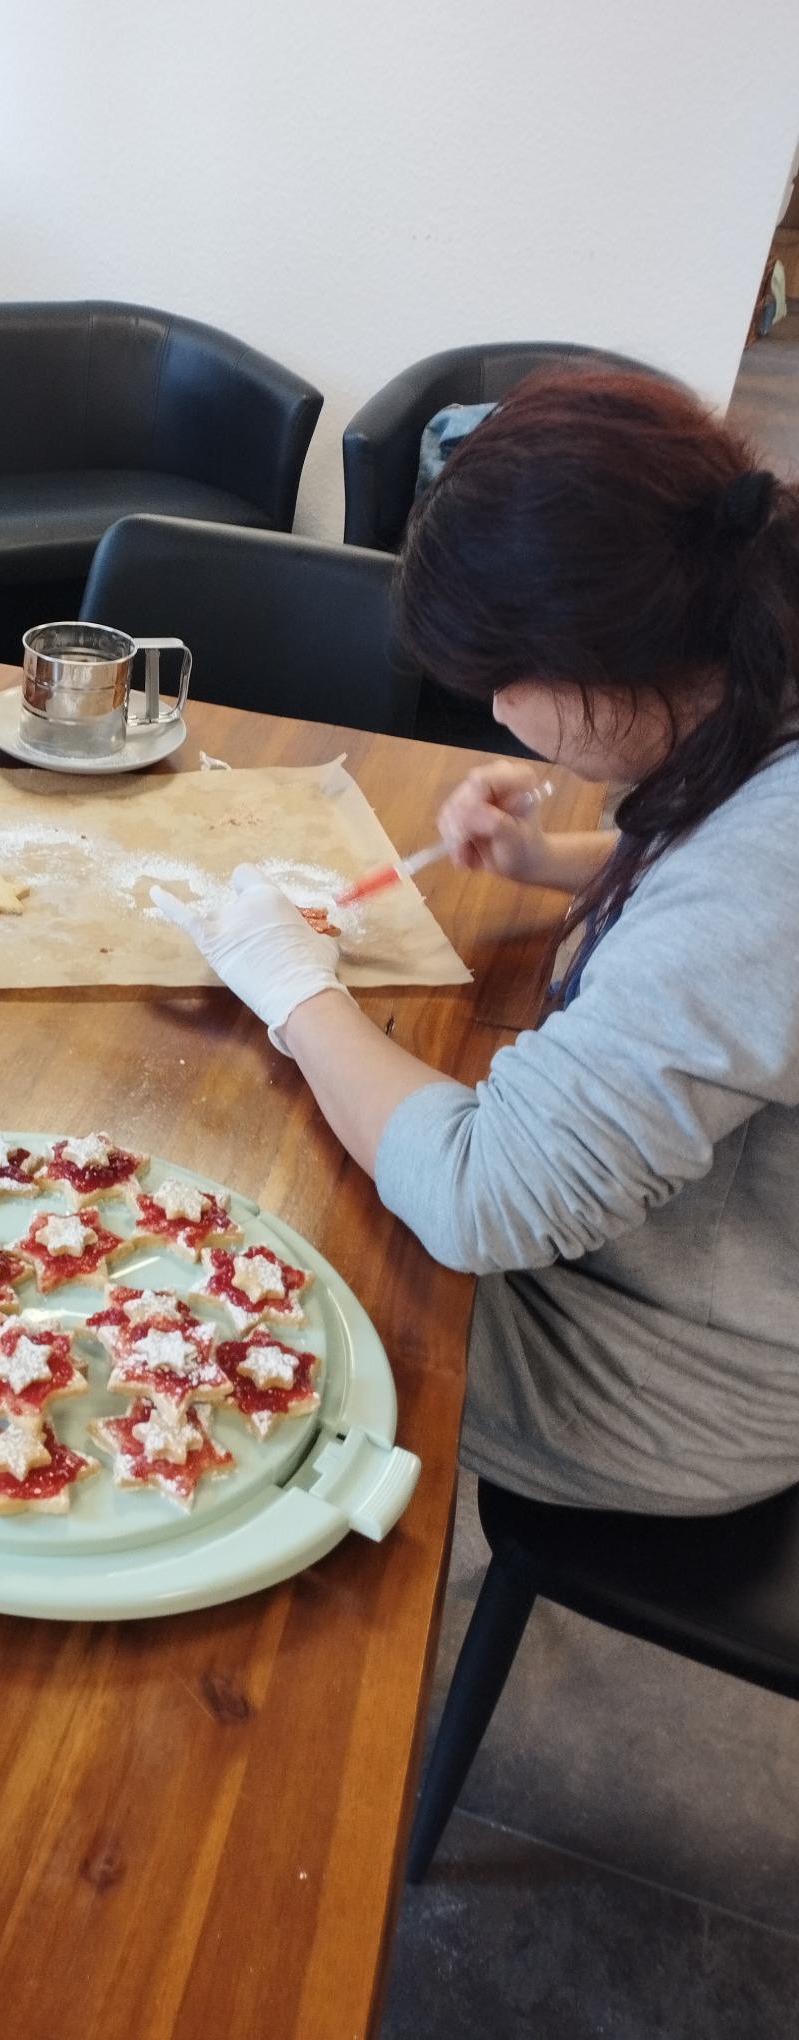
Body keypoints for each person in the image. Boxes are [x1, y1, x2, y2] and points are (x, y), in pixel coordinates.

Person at [156, 370, 799, 1516]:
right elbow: (729, 932)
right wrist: (567, 867)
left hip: (674, 1372)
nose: (495, 716)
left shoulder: (774, 864)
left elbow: (485, 1196)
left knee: (199, 1272)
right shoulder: (763, 655)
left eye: (504, 683)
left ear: (607, 654)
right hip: (656, 1261)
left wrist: (294, 988)